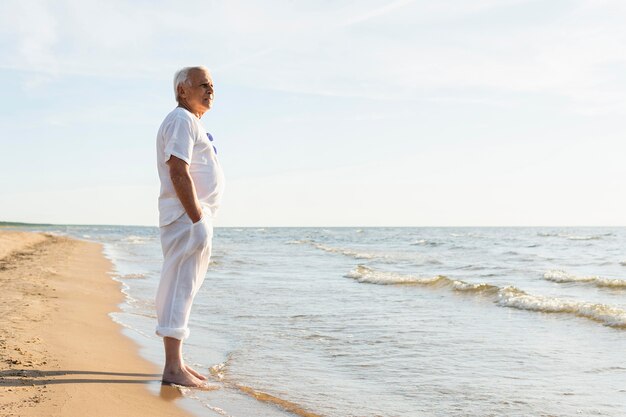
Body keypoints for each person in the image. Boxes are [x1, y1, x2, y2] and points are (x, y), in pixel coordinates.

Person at [155, 66, 225, 387]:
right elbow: (178, 171)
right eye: (203, 85)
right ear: (183, 90)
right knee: (180, 287)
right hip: (188, 218)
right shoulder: (182, 119)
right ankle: (172, 367)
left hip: (193, 216)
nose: (210, 90)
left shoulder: (191, 122)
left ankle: (176, 361)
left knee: (185, 288)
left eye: (212, 85)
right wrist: (197, 220)